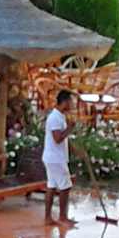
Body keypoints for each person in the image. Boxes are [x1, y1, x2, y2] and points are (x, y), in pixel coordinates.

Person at [41, 88, 75, 224]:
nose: (72, 104)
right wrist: (70, 128)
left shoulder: (60, 116)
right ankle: (62, 217)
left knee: (52, 185)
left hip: (53, 157)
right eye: (71, 101)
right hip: (56, 159)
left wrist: (74, 149)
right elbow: (57, 138)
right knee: (65, 186)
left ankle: (48, 218)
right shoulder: (55, 118)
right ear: (65, 102)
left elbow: (62, 138)